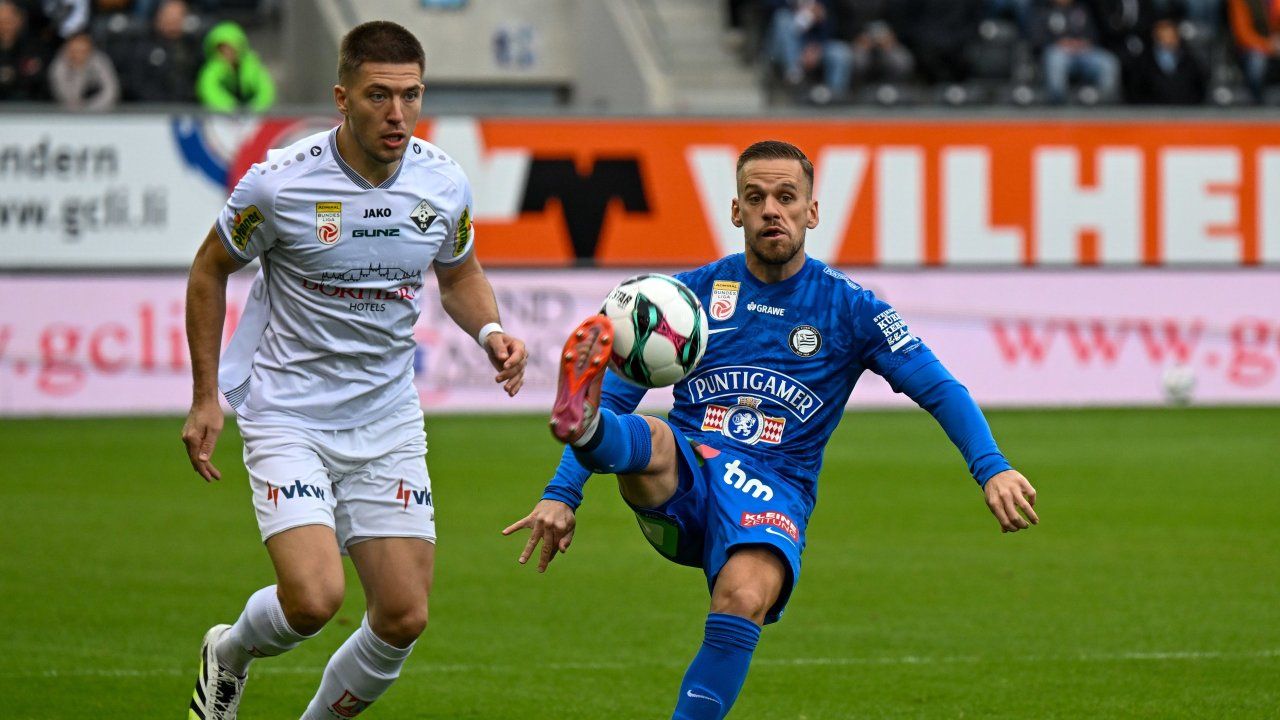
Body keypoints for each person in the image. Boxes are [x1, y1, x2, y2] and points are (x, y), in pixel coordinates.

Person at [504, 140, 1038, 719]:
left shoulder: (852, 308)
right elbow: (621, 394)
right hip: (689, 474)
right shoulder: (691, 298)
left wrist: (993, 467)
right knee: (649, 433)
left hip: (775, 487)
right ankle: (582, 430)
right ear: (736, 211)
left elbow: (939, 389)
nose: (770, 211)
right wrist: (562, 493)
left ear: (812, 211)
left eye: (786, 197)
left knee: (743, 596)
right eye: (755, 198)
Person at [181, 20, 528, 720]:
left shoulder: (442, 183)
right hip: (290, 414)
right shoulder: (278, 184)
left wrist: (491, 330)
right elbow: (209, 270)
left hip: (387, 419)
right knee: (314, 600)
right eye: (378, 95)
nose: (397, 113)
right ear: (343, 97)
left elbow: (459, 274)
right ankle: (231, 652)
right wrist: (205, 396)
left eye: (411, 95)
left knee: (403, 616)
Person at [1032, 0, 1122, 103]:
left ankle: (1103, 101)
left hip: (1083, 51)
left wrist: (1082, 43)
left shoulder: (1081, 8)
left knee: (1108, 62)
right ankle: (1057, 102)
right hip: (1058, 51)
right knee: (1055, 59)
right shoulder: (1042, 9)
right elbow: (1037, 39)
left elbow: (1093, 34)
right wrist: (1060, 43)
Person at [120, 0, 202, 103]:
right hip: (151, 110)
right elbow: (136, 82)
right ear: (158, 17)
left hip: (186, 109)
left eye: (178, 16)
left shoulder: (193, 47)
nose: (173, 21)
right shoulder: (142, 46)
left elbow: (197, 81)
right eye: (170, 16)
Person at [196, 19, 274, 112]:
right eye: (222, 50)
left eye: (230, 49)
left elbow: (266, 90)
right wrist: (232, 108)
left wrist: (254, 109)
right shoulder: (213, 68)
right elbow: (208, 89)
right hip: (222, 117)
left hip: (253, 116)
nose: (227, 53)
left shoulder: (252, 65)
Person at [1133, 16, 1207, 103]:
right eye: (1164, 35)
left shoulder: (1190, 60)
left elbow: (1199, 87)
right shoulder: (1144, 62)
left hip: (1186, 111)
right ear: (1156, 36)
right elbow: (1137, 89)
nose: (1169, 40)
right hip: (1152, 112)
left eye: (1172, 35)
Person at [48, 31, 118, 109]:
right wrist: (79, 70)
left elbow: (111, 91)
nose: (79, 55)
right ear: (67, 50)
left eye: (83, 51)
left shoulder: (99, 60)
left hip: (98, 111)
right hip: (66, 112)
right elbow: (68, 97)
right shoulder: (59, 65)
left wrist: (91, 108)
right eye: (75, 51)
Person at [1228, 0, 1280, 103]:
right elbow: (1243, 35)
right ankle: (1256, 99)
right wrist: (1269, 46)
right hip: (1250, 50)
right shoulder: (1241, 2)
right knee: (1257, 60)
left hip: (1275, 45)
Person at [0, 0, 50, 101]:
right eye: (1, 22)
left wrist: (12, 76)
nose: (5, 26)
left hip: (27, 105)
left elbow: (39, 78)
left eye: (9, 22)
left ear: (19, 21)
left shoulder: (35, 46)